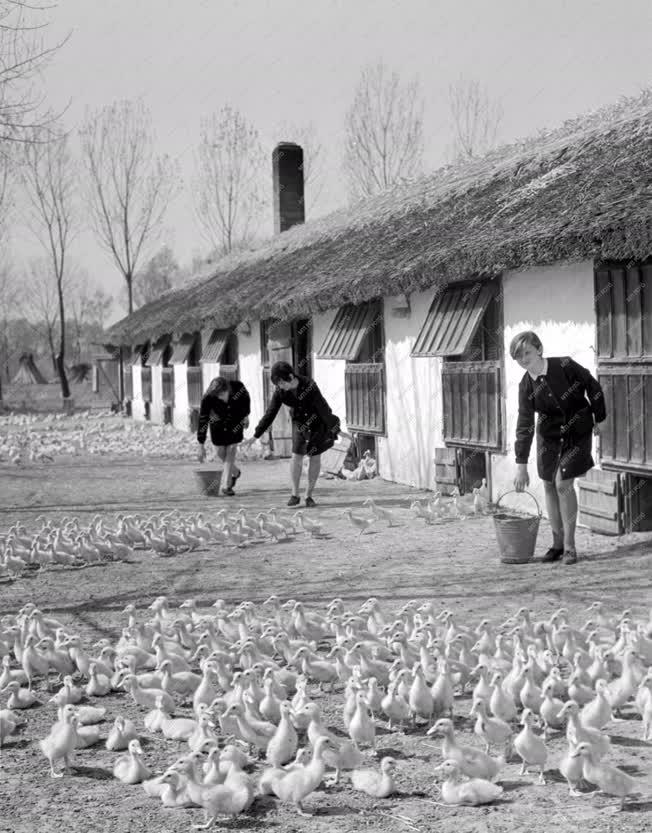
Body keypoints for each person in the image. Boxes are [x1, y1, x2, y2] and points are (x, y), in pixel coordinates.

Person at [511, 331, 606, 566]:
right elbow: (524, 425)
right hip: (549, 437)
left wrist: (600, 417)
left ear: (539, 349)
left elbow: (592, 386)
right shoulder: (525, 386)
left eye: (527, 353)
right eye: (518, 356)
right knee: (548, 484)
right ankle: (557, 544)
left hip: (576, 431)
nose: (523, 359)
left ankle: (571, 548)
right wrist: (521, 465)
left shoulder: (565, 365)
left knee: (563, 483)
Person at [242, 361, 340, 507]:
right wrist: (255, 435)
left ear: (290, 376)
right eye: (278, 384)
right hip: (299, 422)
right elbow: (270, 413)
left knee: (315, 456)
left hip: (317, 422)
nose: (280, 386)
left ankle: (309, 495)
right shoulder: (280, 392)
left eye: (281, 383)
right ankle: (295, 494)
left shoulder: (309, 385)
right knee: (296, 455)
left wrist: (335, 428)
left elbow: (323, 407)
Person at [196, 376, 251, 496]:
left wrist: (246, 415)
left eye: (222, 394)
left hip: (235, 421)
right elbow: (203, 420)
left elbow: (246, 399)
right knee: (220, 453)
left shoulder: (238, 387)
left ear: (228, 389)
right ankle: (235, 472)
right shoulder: (208, 397)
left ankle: (226, 485)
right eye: (218, 396)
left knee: (231, 449)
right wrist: (201, 444)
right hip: (217, 425)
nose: (220, 398)